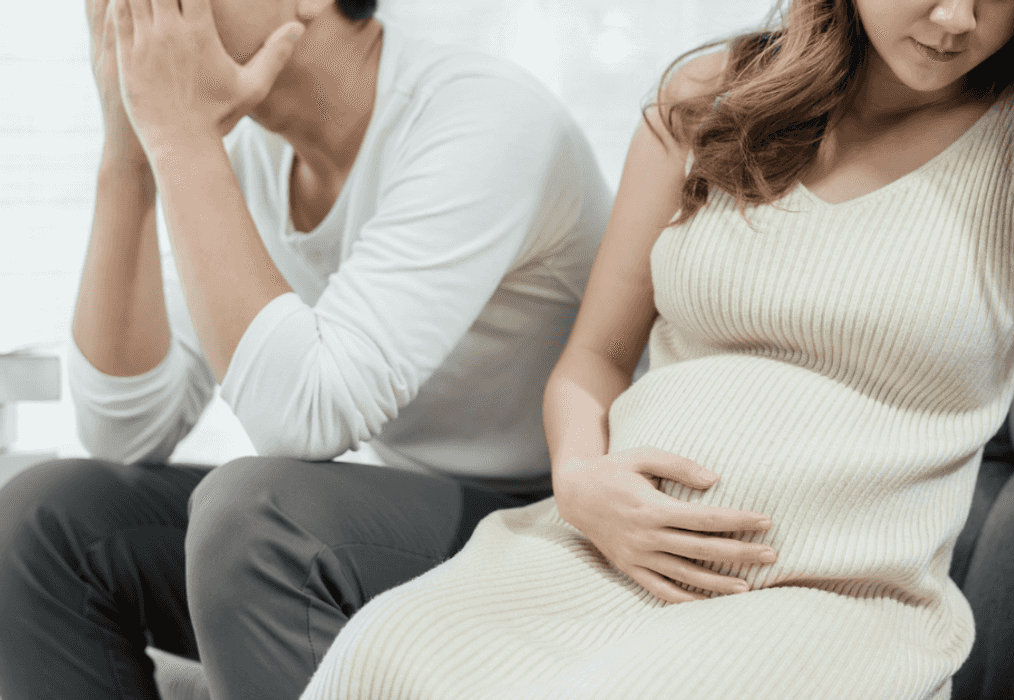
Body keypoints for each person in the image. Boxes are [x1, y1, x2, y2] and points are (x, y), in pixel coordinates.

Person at [297, 0, 1014, 698]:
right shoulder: (706, 99)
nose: (953, 19)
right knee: (382, 657)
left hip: (830, 605)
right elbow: (592, 361)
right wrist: (580, 480)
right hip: (595, 553)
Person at [0, 0, 610, 697]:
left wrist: (179, 137)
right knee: (43, 515)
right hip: (428, 516)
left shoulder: (483, 118)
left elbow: (311, 415)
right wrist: (130, 154)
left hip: (561, 533)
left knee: (256, 512)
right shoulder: (253, 161)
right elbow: (122, 433)